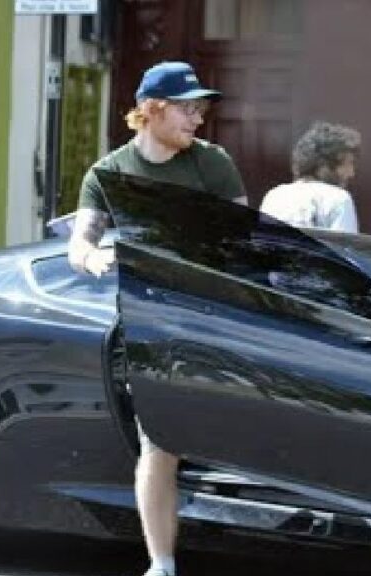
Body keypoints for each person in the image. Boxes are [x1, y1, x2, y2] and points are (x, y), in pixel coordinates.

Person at [69, 61, 246, 576]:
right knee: (159, 441)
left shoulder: (213, 164)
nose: (197, 119)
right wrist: (94, 258)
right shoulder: (108, 174)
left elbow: (242, 237)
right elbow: (80, 244)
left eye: (201, 109)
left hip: (216, 320)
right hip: (151, 327)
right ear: (152, 110)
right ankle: (161, 564)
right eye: (187, 109)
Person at [260, 121, 361, 233]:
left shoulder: (274, 196)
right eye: (347, 164)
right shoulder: (339, 199)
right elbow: (344, 248)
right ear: (324, 166)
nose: (351, 173)